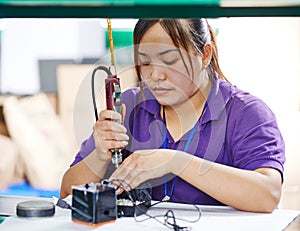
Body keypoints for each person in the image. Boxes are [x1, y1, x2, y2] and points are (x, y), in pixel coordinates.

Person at [60, 18, 285, 213]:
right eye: (145, 62)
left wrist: (175, 162)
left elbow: (268, 195)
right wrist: (100, 154)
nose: (155, 75)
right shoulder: (129, 106)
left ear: (205, 54)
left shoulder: (246, 113)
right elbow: (67, 192)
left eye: (169, 61)